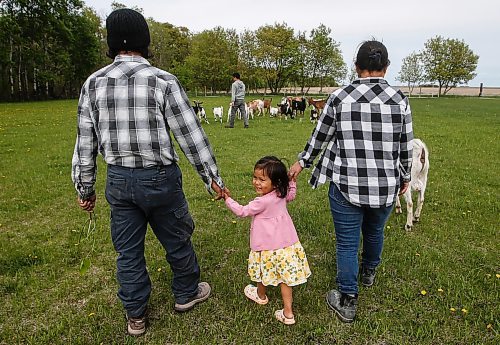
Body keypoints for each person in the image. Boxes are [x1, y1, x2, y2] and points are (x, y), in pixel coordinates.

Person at [71, 8, 227, 336]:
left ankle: (135, 315)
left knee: (127, 251)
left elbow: (85, 143)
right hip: (160, 179)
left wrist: (85, 188)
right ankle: (186, 294)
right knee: (177, 238)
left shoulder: (92, 84)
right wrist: (212, 177)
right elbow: (190, 135)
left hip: (118, 179)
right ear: (146, 41)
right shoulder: (163, 80)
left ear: (110, 43)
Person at [288, 40, 413, 323]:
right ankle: (368, 273)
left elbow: (319, 137)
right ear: (386, 67)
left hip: (346, 185)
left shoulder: (339, 97)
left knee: (347, 243)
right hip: (385, 186)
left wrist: (301, 162)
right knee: (374, 233)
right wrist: (404, 176)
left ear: (356, 66)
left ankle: (347, 298)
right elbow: (405, 146)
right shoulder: (400, 99)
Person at [222, 156, 311, 325]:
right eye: (255, 177)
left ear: (275, 182)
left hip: (266, 246)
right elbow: (291, 194)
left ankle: (261, 295)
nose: (256, 182)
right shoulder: (281, 193)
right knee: (285, 279)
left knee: (262, 271)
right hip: (287, 245)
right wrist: (292, 181)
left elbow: (242, 211)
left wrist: (227, 199)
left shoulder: (261, 202)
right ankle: (288, 313)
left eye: (262, 179)